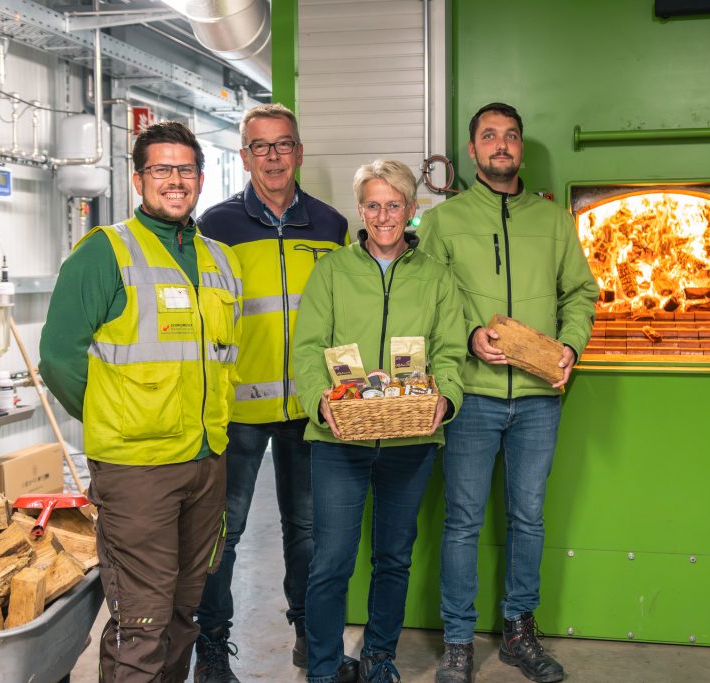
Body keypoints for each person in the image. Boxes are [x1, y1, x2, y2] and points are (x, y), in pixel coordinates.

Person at [39, 121, 242, 683]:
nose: (174, 181)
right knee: (142, 621)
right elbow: (57, 357)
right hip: (137, 471)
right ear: (137, 178)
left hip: (205, 463)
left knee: (182, 613)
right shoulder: (106, 252)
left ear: (201, 178)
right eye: (161, 169)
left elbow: (224, 359)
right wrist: (115, 415)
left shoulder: (220, 260)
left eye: (185, 170)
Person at [418, 102, 599, 683]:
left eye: (511, 136)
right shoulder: (444, 222)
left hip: (540, 400)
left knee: (528, 518)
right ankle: (456, 641)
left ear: (521, 149)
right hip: (473, 397)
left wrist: (570, 346)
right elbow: (431, 303)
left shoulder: (552, 221)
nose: (502, 145)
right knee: (464, 521)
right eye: (489, 136)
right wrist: (469, 336)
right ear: (471, 151)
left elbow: (581, 293)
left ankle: (520, 631)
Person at [293, 159, 467, 683]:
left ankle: (379, 658)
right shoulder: (331, 271)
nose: (384, 215)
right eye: (373, 204)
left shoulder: (436, 278)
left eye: (395, 205)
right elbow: (306, 351)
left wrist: (447, 400)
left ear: (412, 211)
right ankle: (324, 668)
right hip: (339, 438)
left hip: (409, 438)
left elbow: (451, 353)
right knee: (331, 563)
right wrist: (319, 401)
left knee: (393, 558)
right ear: (360, 210)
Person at [194, 103, 349, 683]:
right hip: (238, 409)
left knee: (308, 532)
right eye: (261, 146)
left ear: (299, 152)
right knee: (222, 535)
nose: (274, 156)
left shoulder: (332, 227)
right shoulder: (216, 226)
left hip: (311, 407)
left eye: (284, 144)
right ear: (245, 156)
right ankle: (212, 647)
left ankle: (312, 641)